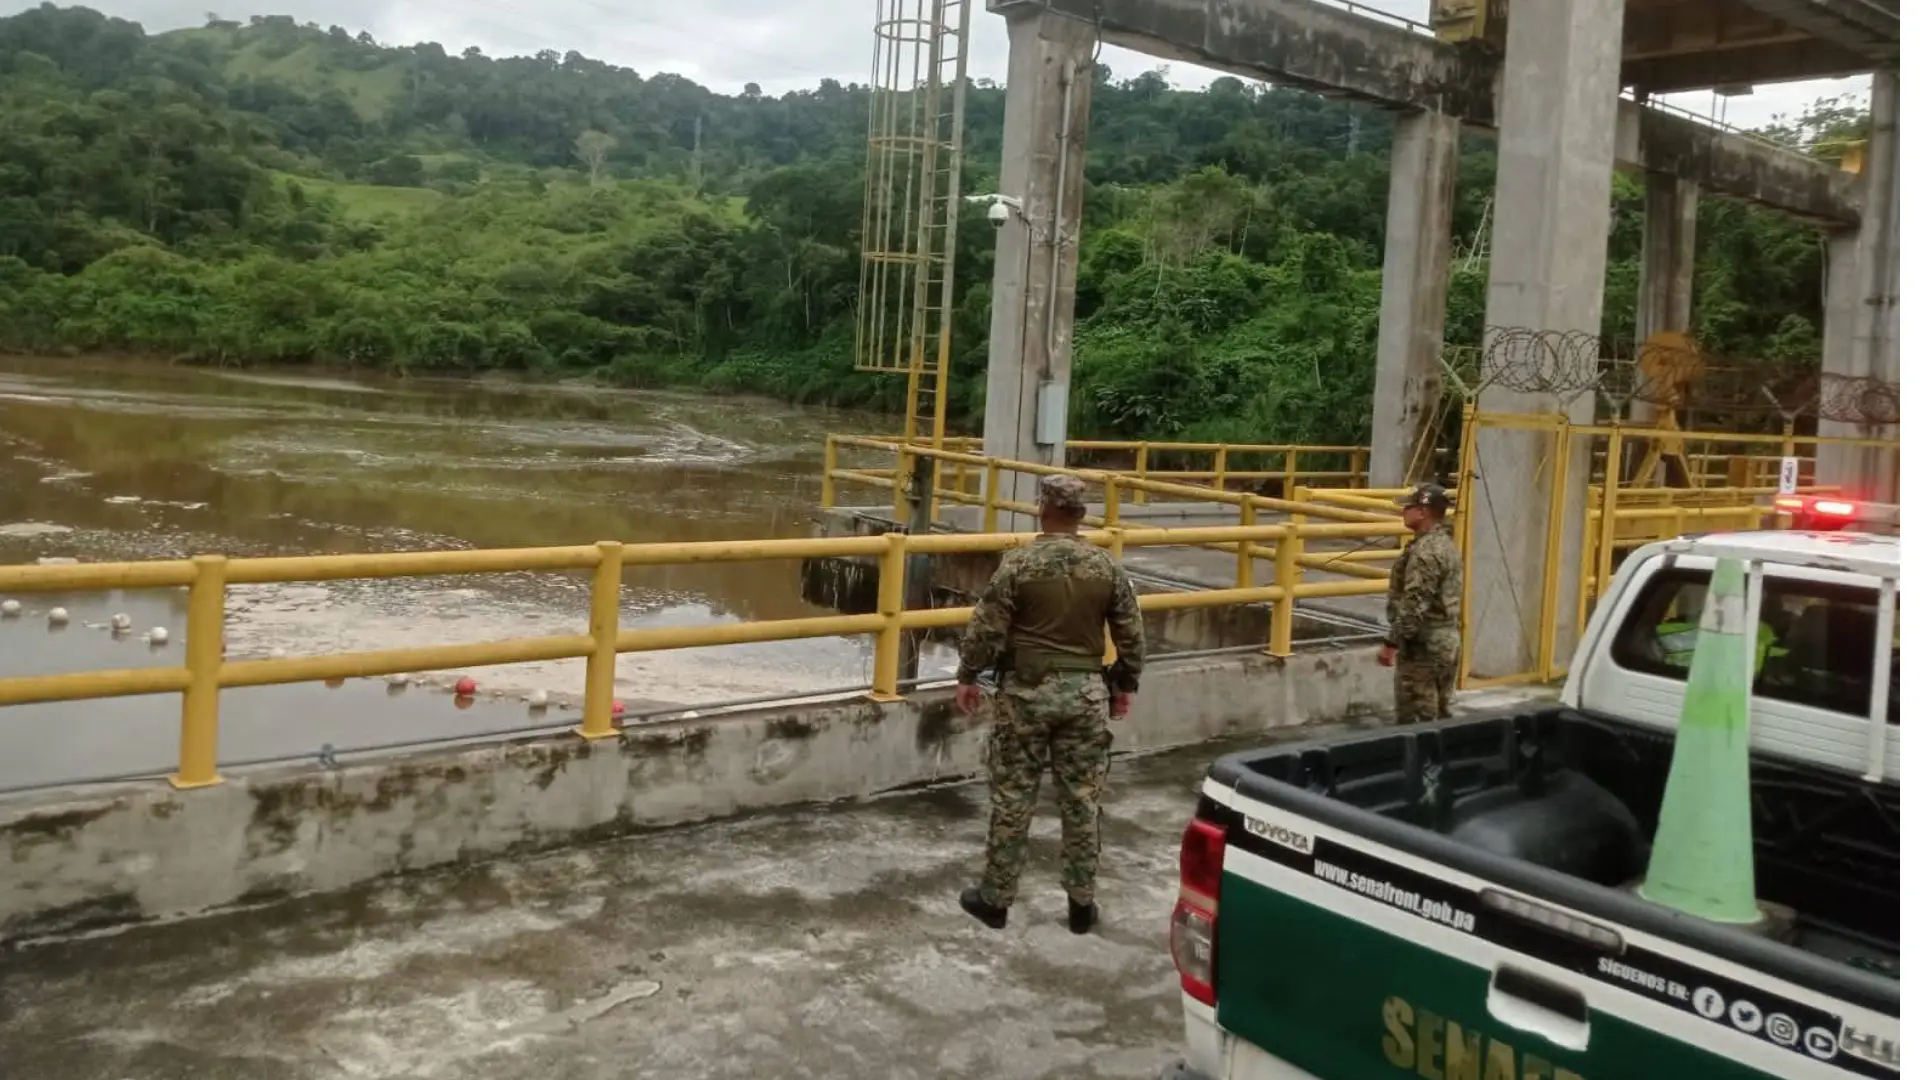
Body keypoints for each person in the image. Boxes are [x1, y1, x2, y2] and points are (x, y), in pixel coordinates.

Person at [952, 473, 1146, 935]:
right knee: (1082, 800)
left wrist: (968, 676)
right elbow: (1132, 636)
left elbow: (986, 630)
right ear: (1081, 514)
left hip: (1025, 694)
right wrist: (1123, 684)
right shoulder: (1106, 567)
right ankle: (1081, 905)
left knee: (1014, 796)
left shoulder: (1018, 565)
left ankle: (995, 900)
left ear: (1043, 509)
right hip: (1085, 696)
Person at [1378, 483, 1464, 724]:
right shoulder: (1445, 544)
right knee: (1441, 714)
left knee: (1416, 719)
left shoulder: (1425, 552)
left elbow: (1415, 604)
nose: (1404, 511)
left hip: (1423, 648)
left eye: (1409, 507)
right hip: (1446, 641)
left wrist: (1391, 643)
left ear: (1423, 512)